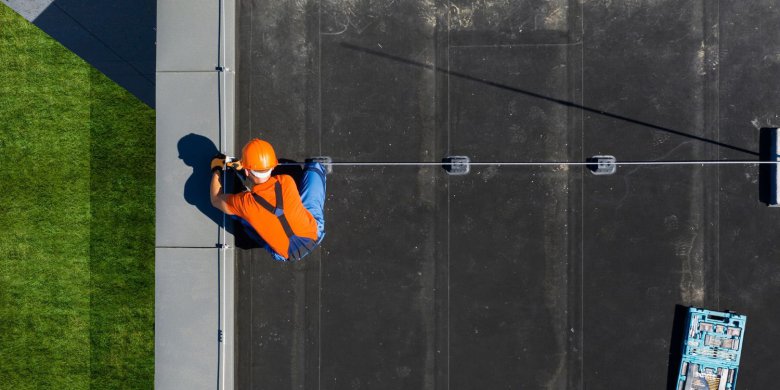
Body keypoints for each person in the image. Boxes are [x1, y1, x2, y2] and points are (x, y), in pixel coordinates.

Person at [209, 138, 327, 261]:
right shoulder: (286, 180)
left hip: (286, 255)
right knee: (313, 188)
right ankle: (316, 167)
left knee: (241, 214)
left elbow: (215, 199)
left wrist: (216, 170)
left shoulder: (244, 203)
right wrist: (244, 167)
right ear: (273, 165)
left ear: (247, 172)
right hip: (314, 234)